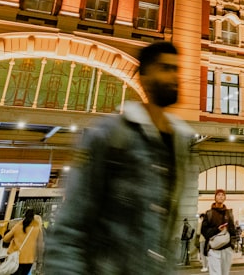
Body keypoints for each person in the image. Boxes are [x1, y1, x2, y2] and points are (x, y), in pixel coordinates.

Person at [44, 40, 194, 275]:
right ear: (144, 77)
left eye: (176, 69)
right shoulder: (109, 134)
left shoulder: (179, 144)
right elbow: (70, 227)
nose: (175, 76)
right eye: (165, 68)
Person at [201, 189, 238, 275]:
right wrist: (217, 229)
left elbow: (232, 230)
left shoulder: (228, 213)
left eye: (222, 195)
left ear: (225, 198)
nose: (221, 196)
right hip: (214, 249)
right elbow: (204, 231)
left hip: (227, 248)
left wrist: (232, 245)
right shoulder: (209, 213)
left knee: (225, 273)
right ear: (215, 197)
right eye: (218, 195)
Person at [3, 208, 43, 275]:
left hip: (15, 257)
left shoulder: (18, 226)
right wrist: (39, 260)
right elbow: (40, 246)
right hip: (29, 259)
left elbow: (5, 238)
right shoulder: (37, 229)